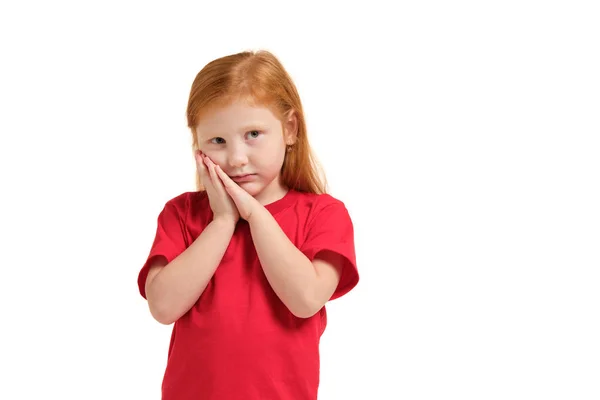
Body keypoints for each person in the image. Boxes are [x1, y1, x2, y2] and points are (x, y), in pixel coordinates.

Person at [137, 49, 359, 400]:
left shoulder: (324, 214)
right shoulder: (181, 214)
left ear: (289, 129)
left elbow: (305, 299)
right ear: (198, 145)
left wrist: (255, 215)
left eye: (253, 133)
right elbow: (162, 307)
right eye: (218, 141)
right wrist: (223, 221)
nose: (237, 158)